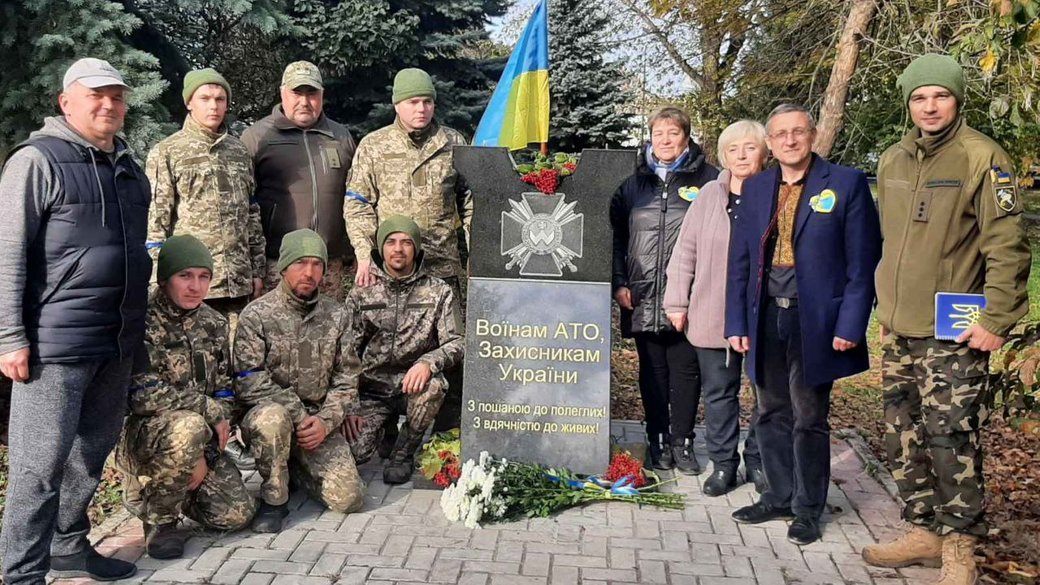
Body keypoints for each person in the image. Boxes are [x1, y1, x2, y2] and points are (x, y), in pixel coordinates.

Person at [862, 55, 1030, 585]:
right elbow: (891, 245)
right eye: (918, 97)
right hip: (901, 327)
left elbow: (1007, 246)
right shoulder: (892, 159)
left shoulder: (984, 157)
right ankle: (923, 531)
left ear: (957, 99)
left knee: (950, 434)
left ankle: (961, 544)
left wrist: (997, 319)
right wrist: (887, 313)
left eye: (939, 95)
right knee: (901, 431)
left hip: (956, 329)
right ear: (908, 103)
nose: (929, 106)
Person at [0, 57, 150, 583]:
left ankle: (68, 545)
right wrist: (9, 337)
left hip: (115, 342)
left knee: (92, 452)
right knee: (38, 467)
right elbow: (8, 253)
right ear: (66, 102)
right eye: (96, 95)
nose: (108, 104)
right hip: (53, 345)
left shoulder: (129, 168)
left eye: (116, 96)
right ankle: (21, 574)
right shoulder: (37, 161)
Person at [724, 104, 881, 545]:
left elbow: (862, 261)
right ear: (770, 143)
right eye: (780, 134)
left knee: (809, 414)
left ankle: (807, 508)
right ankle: (777, 494)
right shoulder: (755, 188)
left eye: (798, 132)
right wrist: (736, 319)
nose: (789, 141)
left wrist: (851, 323)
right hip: (764, 314)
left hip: (818, 319)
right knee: (770, 408)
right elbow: (740, 261)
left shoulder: (845, 184)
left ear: (812, 135)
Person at [344, 67, 472, 434]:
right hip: (393, 268)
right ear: (397, 104)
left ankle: (448, 435)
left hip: (442, 263)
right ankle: (386, 422)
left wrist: (475, 250)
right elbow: (358, 203)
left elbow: (470, 200)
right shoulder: (375, 145)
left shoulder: (453, 142)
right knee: (388, 342)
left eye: (428, 101)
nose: (422, 108)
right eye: (414, 102)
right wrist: (364, 254)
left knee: (450, 348)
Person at [115, 236, 257, 559]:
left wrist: (203, 453)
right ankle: (159, 520)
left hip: (196, 438)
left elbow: (224, 392)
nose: (196, 286)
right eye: (185, 276)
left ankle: (170, 489)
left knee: (237, 513)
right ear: (165, 279)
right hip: (145, 439)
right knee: (189, 425)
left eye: (203, 277)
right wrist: (206, 410)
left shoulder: (214, 323)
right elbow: (142, 394)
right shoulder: (142, 322)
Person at [610, 106, 719, 471]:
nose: (665, 140)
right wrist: (619, 281)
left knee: (686, 371)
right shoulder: (632, 183)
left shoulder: (709, 180)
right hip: (641, 292)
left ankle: (683, 442)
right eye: (659, 133)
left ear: (686, 136)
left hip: (689, 293)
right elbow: (617, 237)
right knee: (652, 370)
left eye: (673, 133)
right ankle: (656, 438)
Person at [234, 229, 363, 533]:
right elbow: (249, 379)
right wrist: (300, 415)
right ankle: (274, 499)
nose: (309, 272)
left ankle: (295, 465)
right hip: (271, 416)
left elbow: (347, 377)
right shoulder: (256, 315)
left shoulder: (337, 315)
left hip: (317, 422)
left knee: (350, 498)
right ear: (283, 267)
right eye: (300, 263)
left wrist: (326, 422)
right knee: (274, 419)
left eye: (317, 264)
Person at [663, 120, 768, 495]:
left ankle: (758, 459)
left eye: (750, 148)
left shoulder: (777, 193)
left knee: (766, 394)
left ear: (764, 152)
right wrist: (676, 301)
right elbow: (684, 251)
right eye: (733, 149)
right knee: (719, 395)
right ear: (723, 155)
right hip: (711, 312)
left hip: (764, 316)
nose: (741, 156)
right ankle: (724, 464)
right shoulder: (708, 194)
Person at [342, 215, 464, 484]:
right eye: (391, 242)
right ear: (381, 248)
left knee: (435, 386)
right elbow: (346, 352)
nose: (398, 249)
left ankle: (404, 452)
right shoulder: (362, 292)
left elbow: (456, 342)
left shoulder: (438, 291)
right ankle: (385, 431)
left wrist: (428, 363)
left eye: (407, 242)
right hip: (372, 389)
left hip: (412, 386)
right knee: (355, 453)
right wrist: (349, 405)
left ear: (417, 249)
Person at [145, 68, 266, 323]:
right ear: (189, 102)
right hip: (192, 286)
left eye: (220, 99)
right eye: (205, 98)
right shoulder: (168, 152)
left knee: (236, 359)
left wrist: (258, 269)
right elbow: (156, 222)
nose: (214, 106)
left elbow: (251, 215)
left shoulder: (238, 151)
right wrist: (158, 279)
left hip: (238, 283)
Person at [242, 61, 356, 301]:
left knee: (328, 331)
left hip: (328, 266)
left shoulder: (340, 136)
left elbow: (357, 196)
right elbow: (243, 205)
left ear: (322, 96)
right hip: (278, 264)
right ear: (283, 92)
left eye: (312, 93)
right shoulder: (257, 137)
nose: (304, 102)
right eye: (297, 93)